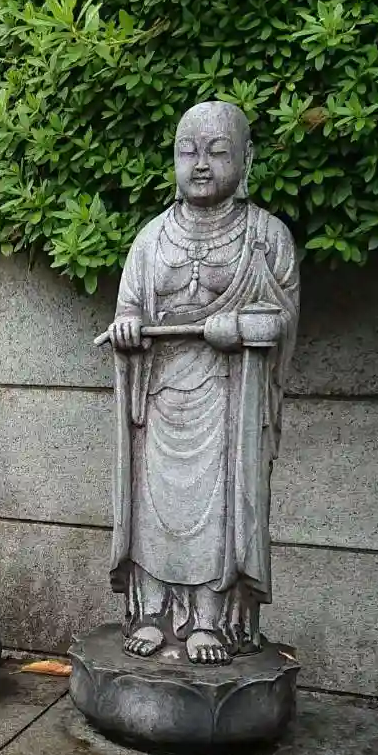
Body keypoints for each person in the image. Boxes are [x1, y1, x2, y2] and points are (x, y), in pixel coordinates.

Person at [103, 101, 300, 665]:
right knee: (152, 507)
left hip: (228, 399)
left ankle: (209, 621)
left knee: (219, 510)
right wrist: (128, 329)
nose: (201, 164)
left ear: (246, 160)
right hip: (160, 398)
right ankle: (153, 613)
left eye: (217, 151)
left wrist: (240, 328)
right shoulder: (151, 239)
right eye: (187, 151)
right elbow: (128, 309)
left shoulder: (266, 238)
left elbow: (282, 321)